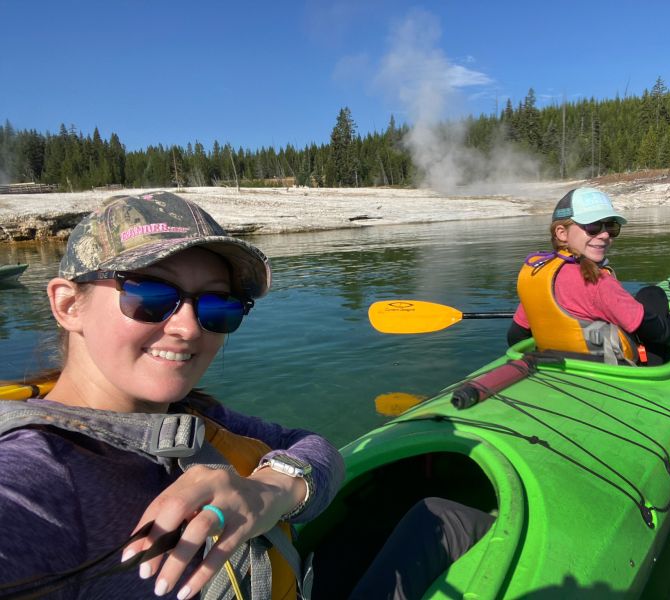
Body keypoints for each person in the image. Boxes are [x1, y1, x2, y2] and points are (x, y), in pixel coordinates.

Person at [0, 191, 492, 600]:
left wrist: (271, 491)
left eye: (219, 304)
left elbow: (310, 445)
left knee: (442, 517)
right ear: (68, 305)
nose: (189, 327)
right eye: (149, 295)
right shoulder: (34, 475)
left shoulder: (190, 416)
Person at [508, 187, 670, 365]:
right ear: (562, 233)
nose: (604, 235)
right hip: (612, 367)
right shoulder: (596, 281)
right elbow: (656, 331)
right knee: (654, 295)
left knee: (649, 294)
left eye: (610, 227)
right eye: (593, 227)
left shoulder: (539, 274)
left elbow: (515, 336)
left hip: (557, 362)